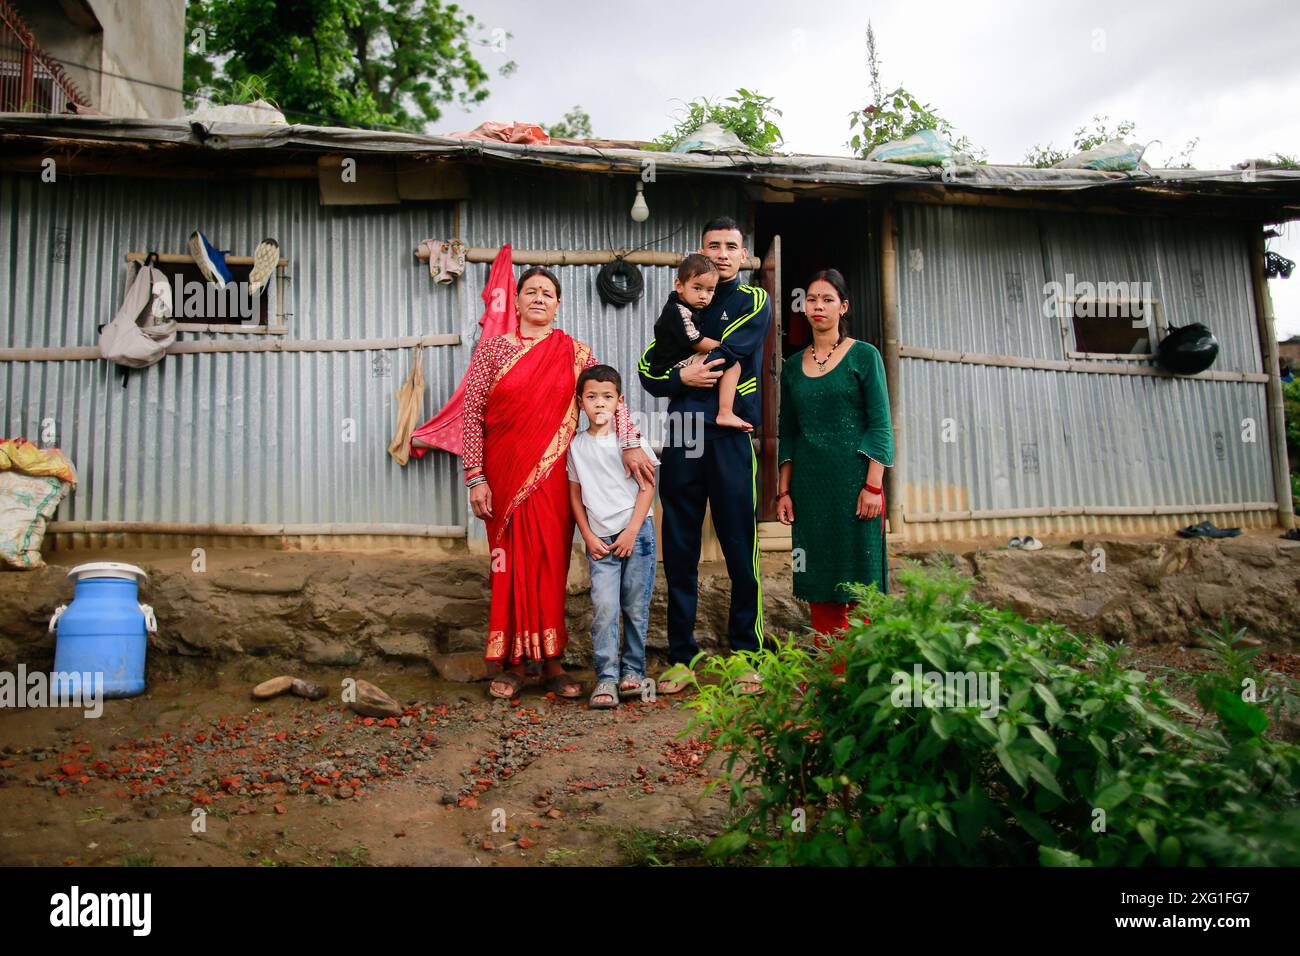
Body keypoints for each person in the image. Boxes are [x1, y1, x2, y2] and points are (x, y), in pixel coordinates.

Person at [461, 266, 656, 700]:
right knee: (507, 566)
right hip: (503, 478)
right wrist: (475, 477)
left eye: (547, 293)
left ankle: (551, 662)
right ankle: (511, 664)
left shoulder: (574, 353)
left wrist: (631, 443)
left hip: (554, 478)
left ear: (558, 303)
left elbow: (608, 397)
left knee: (551, 565)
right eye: (530, 291)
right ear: (515, 302)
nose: (538, 298)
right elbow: (471, 417)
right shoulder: (490, 351)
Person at [637, 218, 772, 695]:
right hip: (683, 433)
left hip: (731, 435)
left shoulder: (753, 300)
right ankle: (681, 656)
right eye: (712, 244)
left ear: (743, 254)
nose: (721, 252)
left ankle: (748, 655)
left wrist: (688, 365)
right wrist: (681, 379)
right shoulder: (679, 302)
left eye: (731, 246)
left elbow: (734, 350)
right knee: (679, 546)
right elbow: (648, 369)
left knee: (740, 546)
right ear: (701, 249)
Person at [775, 269, 894, 664]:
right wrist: (784, 490)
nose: (818, 307)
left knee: (861, 581)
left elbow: (879, 423)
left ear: (843, 307)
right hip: (810, 491)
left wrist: (874, 486)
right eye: (811, 300)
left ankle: (865, 674)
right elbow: (788, 431)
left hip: (856, 487)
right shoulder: (792, 366)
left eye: (827, 300)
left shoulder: (865, 356)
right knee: (819, 581)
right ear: (803, 307)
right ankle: (833, 672)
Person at [566, 365, 659, 709]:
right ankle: (606, 677)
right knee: (605, 608)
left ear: (619, 401)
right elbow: (575, 495)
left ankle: (633, 671)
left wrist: (633, 531)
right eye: (591, 397)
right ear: (580, 402)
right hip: (599, 540)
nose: (599, 403)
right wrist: (587, 535)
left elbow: (648, 487)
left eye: (607, 397)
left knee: (635, 606)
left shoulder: (631, 442)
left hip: (637, 534)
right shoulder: (576, 447)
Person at [642, 254, 751, 431]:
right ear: (679, 285)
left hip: (677, 365)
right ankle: (725, 412)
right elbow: (695, 341)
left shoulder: (686, 306)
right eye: (697, 288)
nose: (703, 296)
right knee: (732, 362)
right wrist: (724, 348)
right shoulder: (678, 311)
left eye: (709, 290)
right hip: (671, 367)